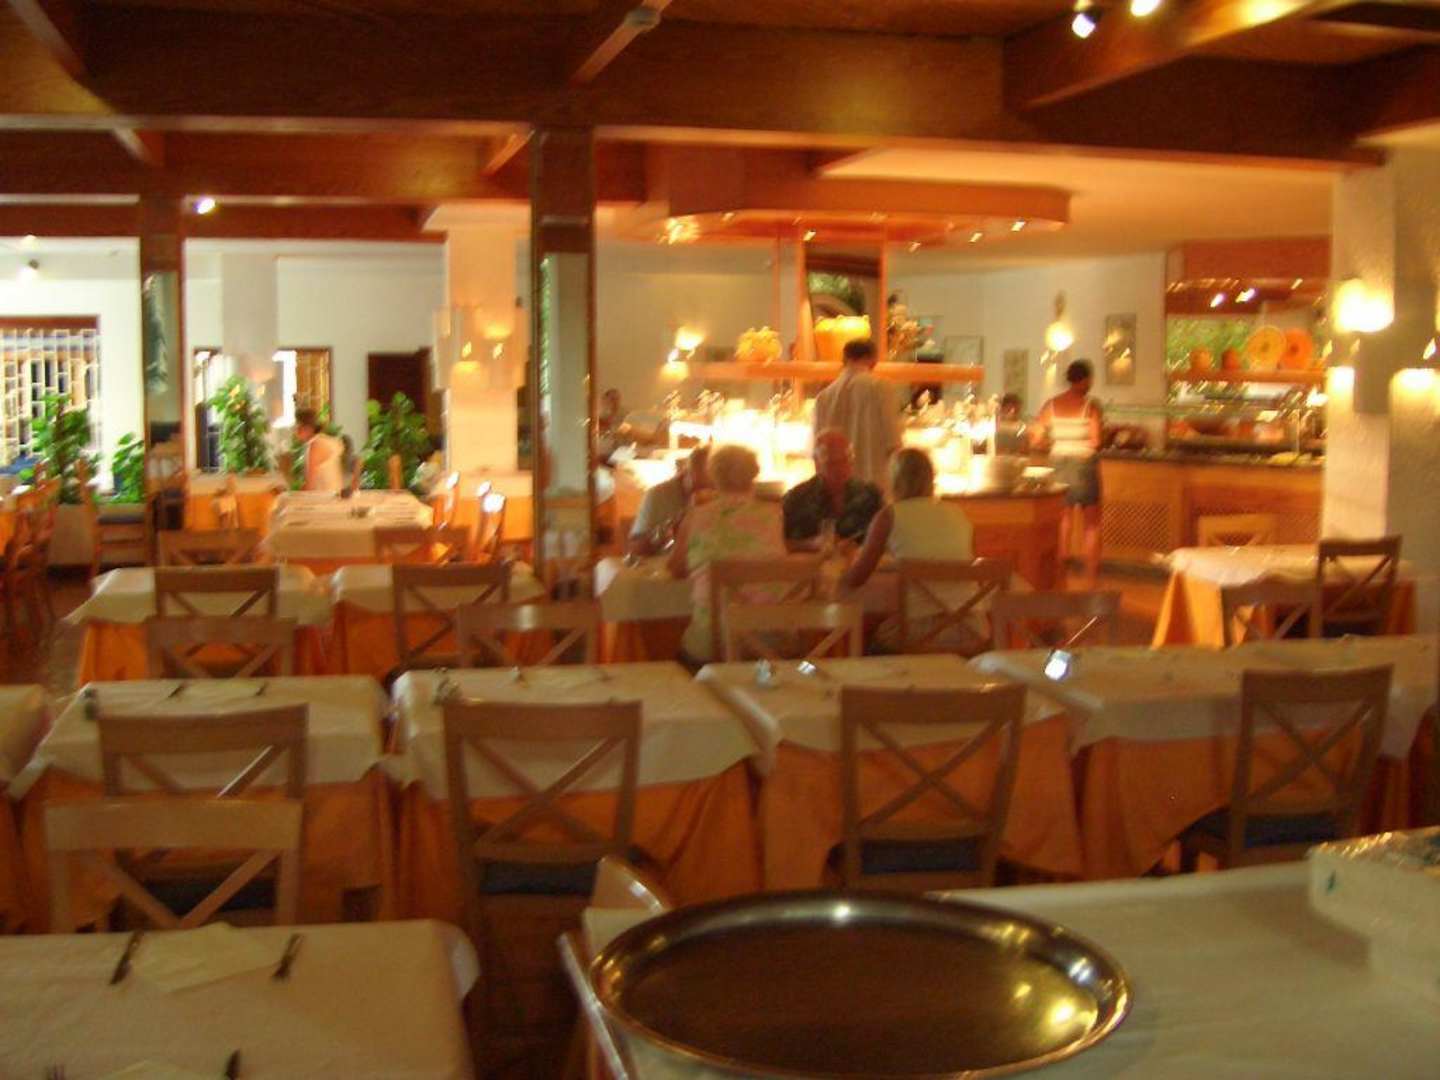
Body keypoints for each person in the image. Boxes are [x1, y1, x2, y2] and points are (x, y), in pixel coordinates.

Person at [843, 447, 984, 652]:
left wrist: (846, 562)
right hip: (972, 629)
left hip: (919, 632)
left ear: (894, 481)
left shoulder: (889, 516)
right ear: (931, 478)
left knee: (870, 642)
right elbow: (967, 565)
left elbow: (856, 579)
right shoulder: (958, 513)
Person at [667, 444, 785, 663]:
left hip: (711, 643)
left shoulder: (696, 517)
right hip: (767, 642)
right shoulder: (773, 515)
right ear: (754, 475)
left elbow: (676, 569)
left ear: (714, 477)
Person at [1033, 359, 1103, 586]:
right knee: (1091, 524)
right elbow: (1096, 441)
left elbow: (1036, 438)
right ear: (1085, 380)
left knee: (1063, 522)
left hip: (1059, 463)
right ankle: (1091, 577)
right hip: (1084, 465)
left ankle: (1059, 574)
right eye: (1090, 379)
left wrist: (1053, 443)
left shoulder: (1051, 405)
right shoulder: (1090, 406)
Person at [812, 338, 901, 492]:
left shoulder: (824, 397)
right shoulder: (881, 388)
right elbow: (893, 440)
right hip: (874, 483)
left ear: (845, 359)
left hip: (836, 487)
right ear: (872, 359)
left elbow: (817, 449)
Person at [782, 428, 882, 552]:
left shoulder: (870, 495)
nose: (840, 469)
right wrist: (810, 544)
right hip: (814, 563)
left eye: (845, 461)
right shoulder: (797, 498)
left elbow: (889, 539)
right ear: (817, 464)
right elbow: (778, 544)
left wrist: (859, 548)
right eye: (832, 463)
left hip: (860, 563)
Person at [628, 444, 711, 555]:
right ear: (686, 473)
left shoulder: (727, 496)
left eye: (711, 487)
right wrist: (668, 530)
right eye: (699, 485)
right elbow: (635, 550)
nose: (703, 492)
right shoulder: (658, 495)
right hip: (664, 562)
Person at [295, 408, 344, 492]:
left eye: (298, 426)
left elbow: (310, 485)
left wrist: (293, 495)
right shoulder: (325, 440)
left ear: (307, 428)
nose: (296, 431)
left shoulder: (316, 445)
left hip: (324, 497)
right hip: (333, 495)